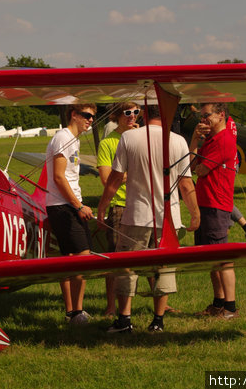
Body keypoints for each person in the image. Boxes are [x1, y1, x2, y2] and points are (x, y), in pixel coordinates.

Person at [97, 105, 200, 333]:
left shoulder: (129, 138)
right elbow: (185, 183)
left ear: (144, 112)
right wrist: (195, 213)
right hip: (169, 217)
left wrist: (102, 206)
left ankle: (124, 319)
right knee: (162, 268)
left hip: (135, 215)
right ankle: (158, 320)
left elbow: (114, 179)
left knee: (127, 268)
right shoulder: (178, 141)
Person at [46, 103, 97, 325]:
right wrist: (78, 205)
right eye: (86, 115)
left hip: (66, 204)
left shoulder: (73, 139)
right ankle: (77, 312)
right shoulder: (62, 137)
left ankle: (72, 312)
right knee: (82, 257)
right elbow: (58, 177)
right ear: (73, 115)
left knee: (70, 258)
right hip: (63, 205)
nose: (90, 120)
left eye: (93, 117)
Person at [189, 102, 239, 320]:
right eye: (201, 116)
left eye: (206, 115)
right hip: (204, 204)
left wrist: (197, 167)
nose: (203, 120)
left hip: (217, 205)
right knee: (211, 258)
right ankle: (218, 303)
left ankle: (230, 307)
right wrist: (193, 139)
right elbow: (190, 165)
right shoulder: (209, 140)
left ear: (221, 115)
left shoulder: (225, 139)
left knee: (222, 257)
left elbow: (200, 169)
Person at [96, 101, 140, 316]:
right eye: (127, 113)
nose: (132, 116)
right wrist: (132, 173)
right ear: (116, 116)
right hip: (120, 205)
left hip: (143, 203)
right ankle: (111, 307)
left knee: (151, 254)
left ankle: (161, 303)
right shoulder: (108, 143)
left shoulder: (143, 138)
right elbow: (106, 180)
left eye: (136, 112)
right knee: (116, 258)